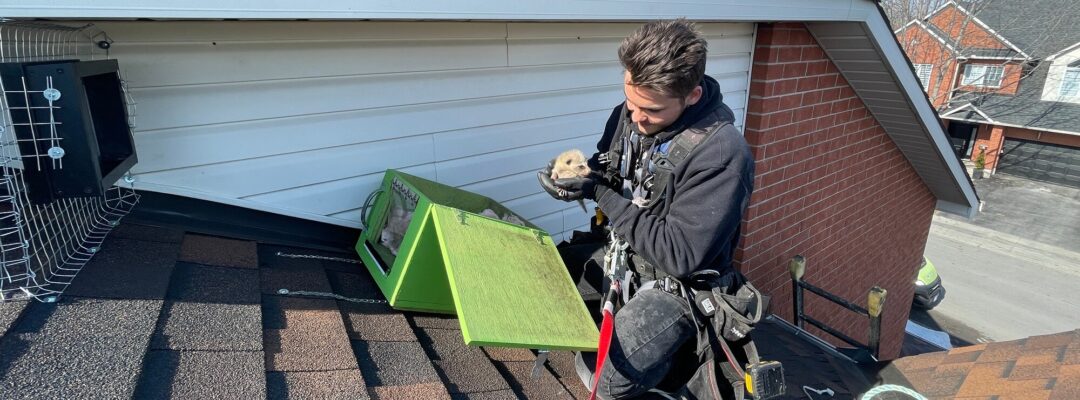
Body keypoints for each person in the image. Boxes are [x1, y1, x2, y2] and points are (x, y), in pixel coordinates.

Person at [538, 19, 755, 399]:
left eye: (650, 110)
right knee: (544, 282)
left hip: (678, 286)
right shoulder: (631, 113)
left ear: (691, 95)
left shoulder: (721, 155)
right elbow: (606, 168)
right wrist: (574, 179)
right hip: (625, 254)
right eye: (630, 101)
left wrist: (601, 195)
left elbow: (680, 255)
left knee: (606, 381)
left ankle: (678, 363)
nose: (636, 119)